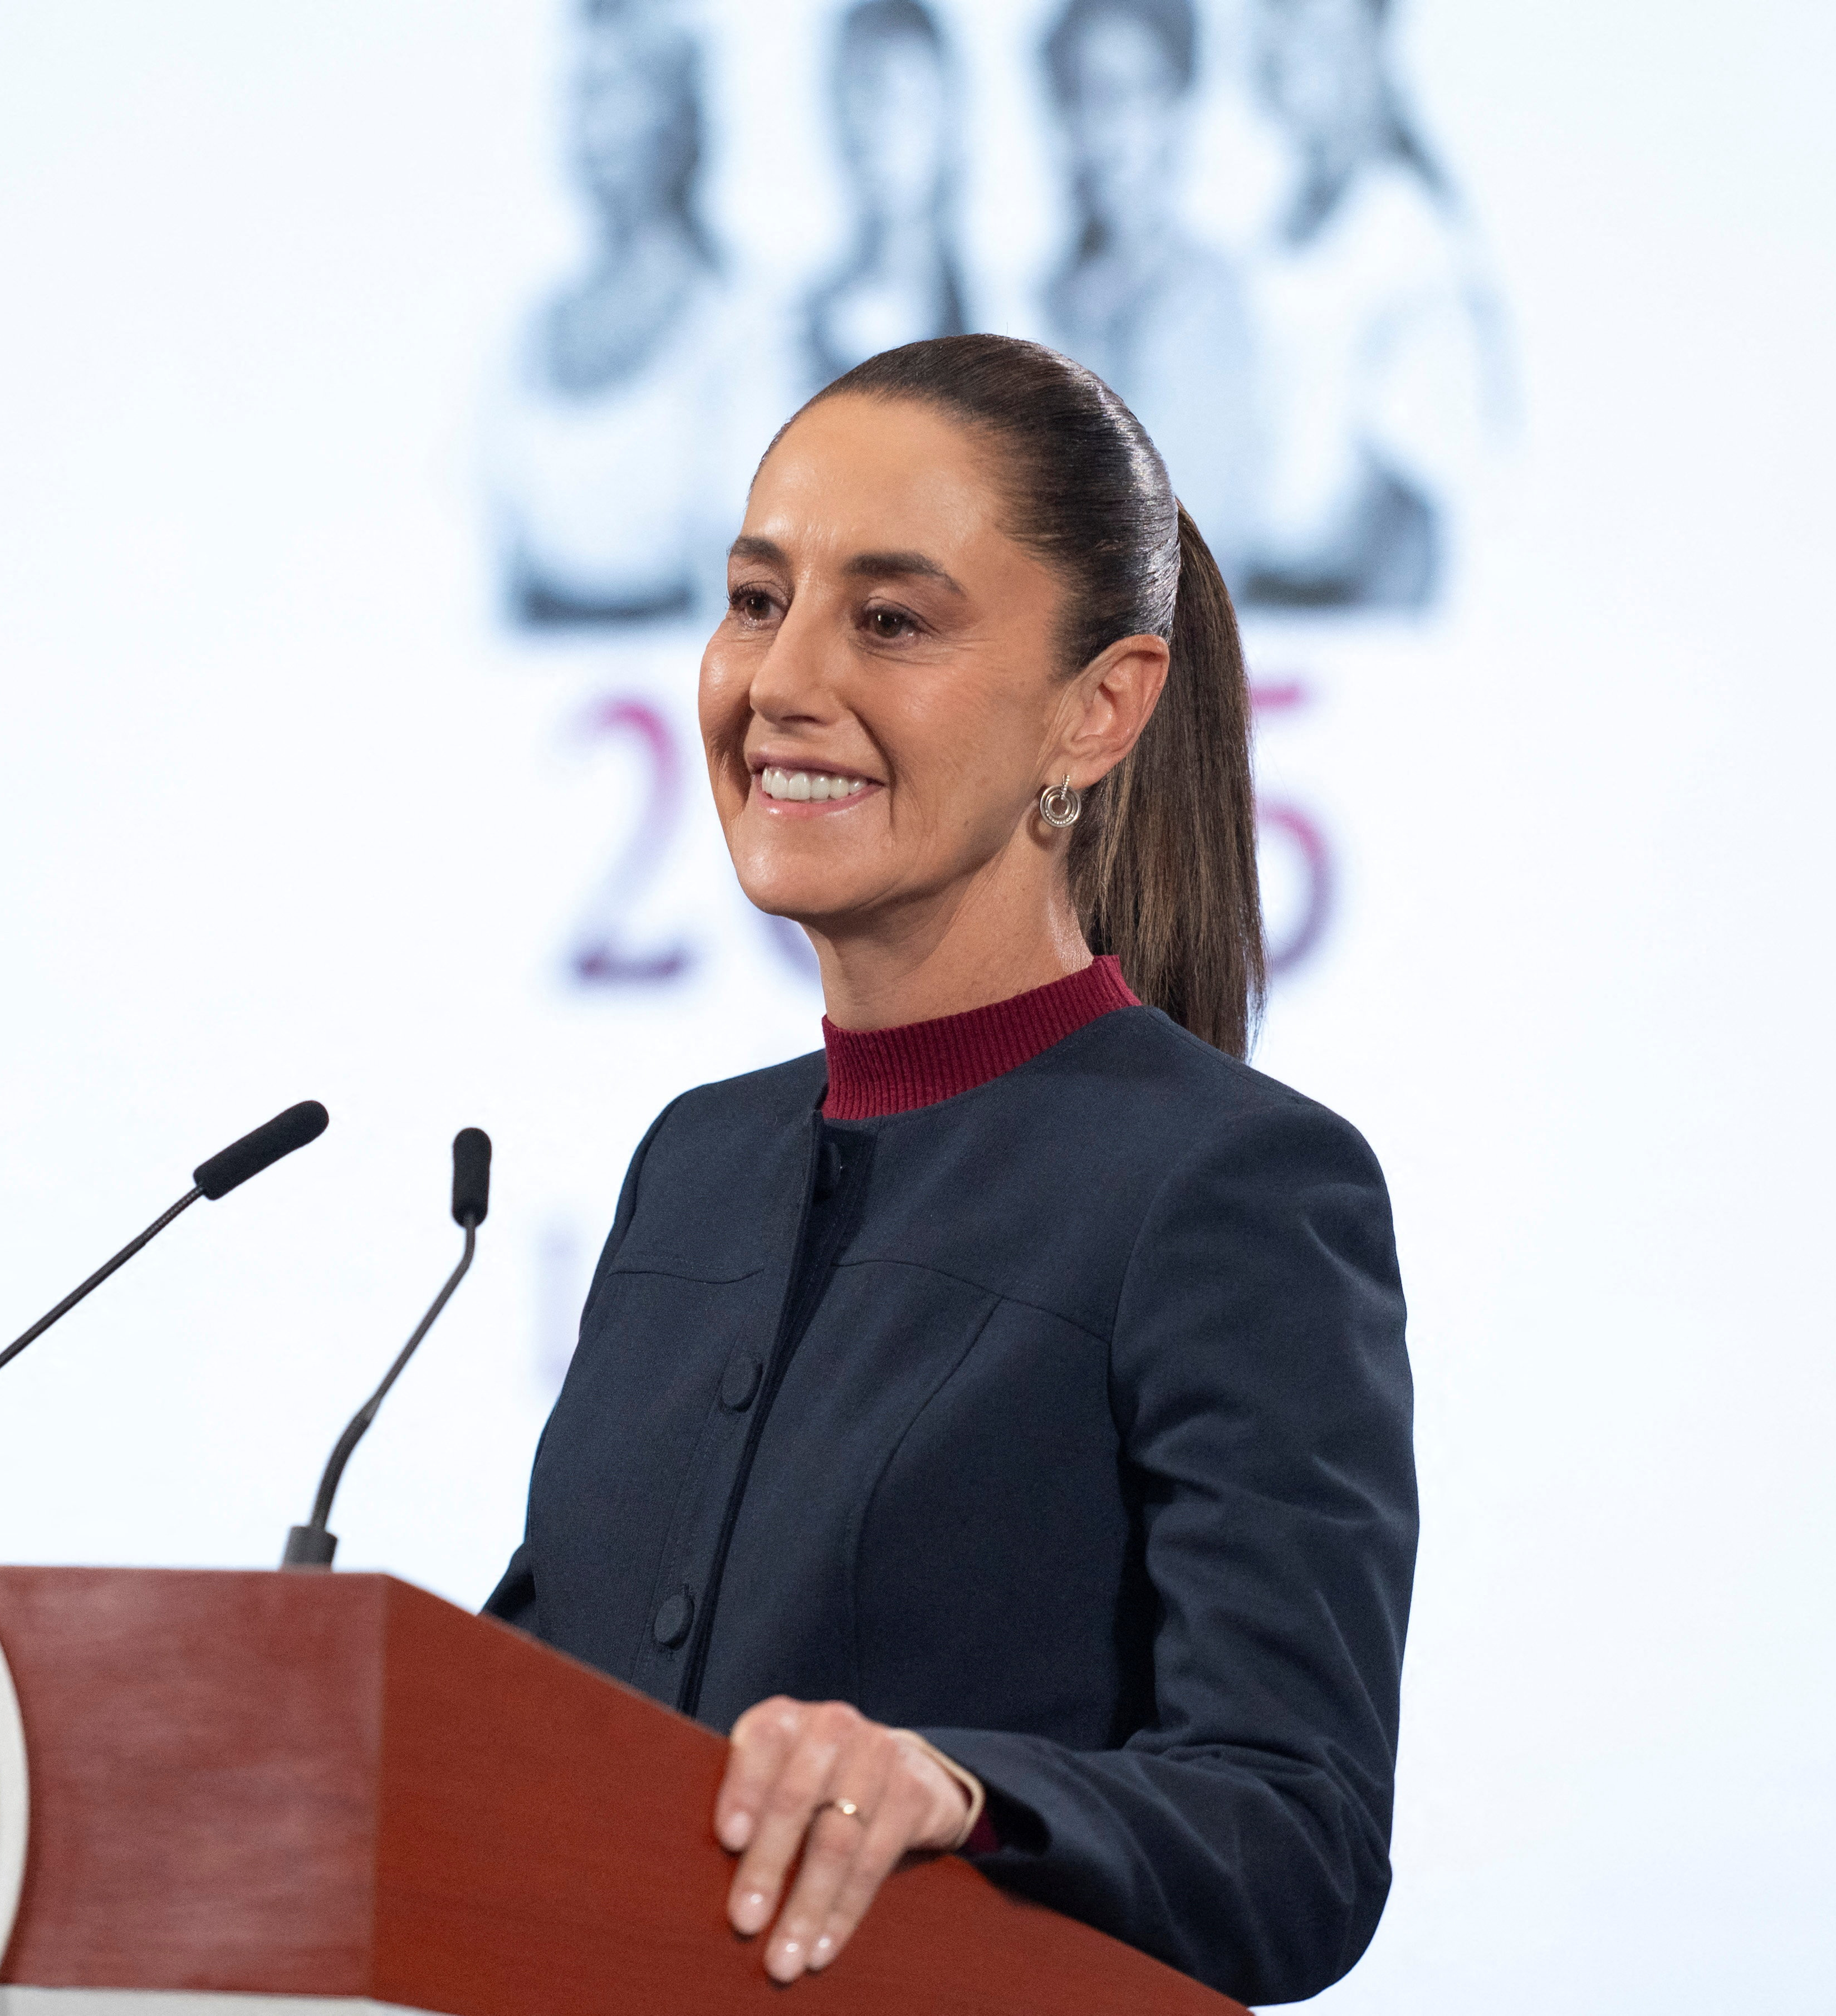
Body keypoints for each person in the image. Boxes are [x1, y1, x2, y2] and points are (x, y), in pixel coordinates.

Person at [485, 334, 1415, 2004]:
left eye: (891, 620)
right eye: (756, 599)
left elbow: (1298, 1832)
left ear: (1096, 709)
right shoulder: (692, 1164)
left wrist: (965, 1793)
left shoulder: (1235, 1189)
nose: (779, 682)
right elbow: (532, 1715)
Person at [492, 0, 755, 629]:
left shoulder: (737, 323)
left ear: (671, 109)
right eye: (574, 96)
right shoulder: (525, 329)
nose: (584, 125)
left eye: (607, 92)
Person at [1236, 0, 1500, 609]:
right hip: (1260, 608)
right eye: (1270, 17)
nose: (1278, 43)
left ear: (1368, 40)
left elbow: (1412, 521)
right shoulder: (1267, 216)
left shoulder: (1409, 236)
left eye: (1305, 21)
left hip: (1333, 623)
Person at [1039, 0, 1266, 577]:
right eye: (1087, 92)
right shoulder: (1034, 298)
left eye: (1135, 91)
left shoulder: (1216, 303)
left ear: (1178, 109)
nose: (1110, 122)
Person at [799, 0, 972, 389]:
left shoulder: (1013, 314)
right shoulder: (785, 336)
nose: (879, 133)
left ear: (950, 121)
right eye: (861, 98)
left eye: (905, 102)